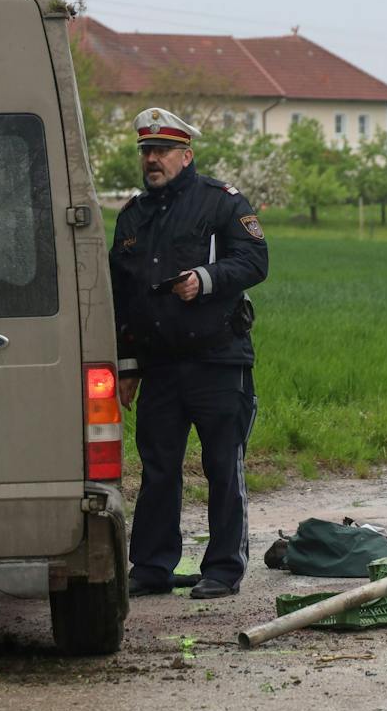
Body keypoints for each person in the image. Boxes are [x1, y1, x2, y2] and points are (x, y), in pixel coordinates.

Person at [109, 107, 268, 600]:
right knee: (158, 468)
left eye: (162, 151)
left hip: (218, 360)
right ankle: (153, 566)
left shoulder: (220, 202)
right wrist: (129, 365)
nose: (152, 159)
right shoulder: (132, 215)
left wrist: (204, 279)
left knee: (223, 464)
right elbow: (123, 296)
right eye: (146, 152)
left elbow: (255, 260)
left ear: (186, 155)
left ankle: (222, 567)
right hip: (160, 366)